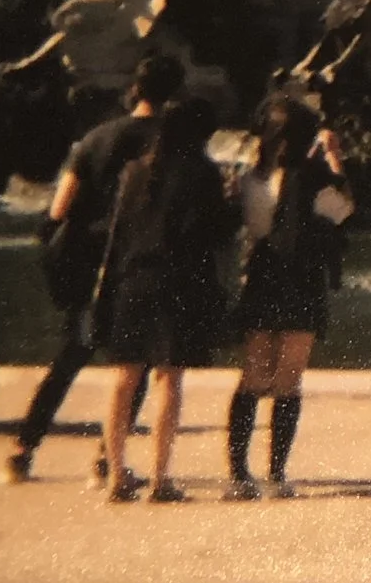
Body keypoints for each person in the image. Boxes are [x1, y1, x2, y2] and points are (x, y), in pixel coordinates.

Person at [3, 53, 183, 487]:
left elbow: (59, 208)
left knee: (69, 359)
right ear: (175, 94)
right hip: (141, 261)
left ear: (135, 88)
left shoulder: (97, 137)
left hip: (90, 261)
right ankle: (108, 457)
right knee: (137, 365)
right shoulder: (173, 143)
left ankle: (23, 449)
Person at [95, 97, 229, 503]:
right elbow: (215, 234)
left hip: (133, 280)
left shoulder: (135, 171)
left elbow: (117, 234)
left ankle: (115, 473)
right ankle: (160, 478)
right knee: (168, 379)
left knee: (123, 380)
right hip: (179, 284)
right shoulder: (202, 173)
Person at [222, 94, 354, 500]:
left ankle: (238, 474)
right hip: (302, 282)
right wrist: (334, 158)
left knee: (252, 377)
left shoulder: (251, 178)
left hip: (263, 276)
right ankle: (277, 475)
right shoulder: (314, 179)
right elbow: (344, 211)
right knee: (288, 381)